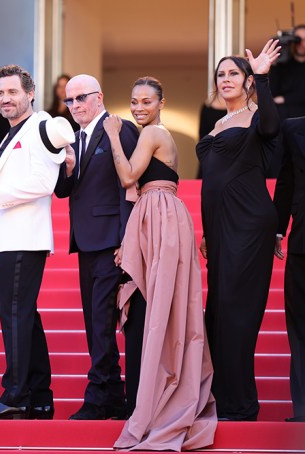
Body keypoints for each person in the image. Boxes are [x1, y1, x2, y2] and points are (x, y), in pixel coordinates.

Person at [103, 77, 217, 450]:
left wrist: (114, 135)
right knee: (159, 310)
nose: (138, 108)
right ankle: (155, 393)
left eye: (146, 101)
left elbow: (127, 177)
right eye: (133, 101)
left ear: (161, 103)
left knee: (161, 311)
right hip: (157, 216)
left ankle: (157, 399)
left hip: (162, 218)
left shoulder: (153, 133)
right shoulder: (153, 133)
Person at [0, 64, 74, 420]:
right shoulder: (14, 132)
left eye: (12, 92)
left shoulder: (42, 125)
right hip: (9, 238)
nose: (5, 99)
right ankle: (40, 396)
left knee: (14, 316)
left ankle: (15, 395)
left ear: (30, 93)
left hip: (23, 238)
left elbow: (44, 183)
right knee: (25, 317)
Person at [197, 40, 281, 421]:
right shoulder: (217, 123)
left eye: (234, 73)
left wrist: (262, 79)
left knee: (237, 312)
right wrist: (206, 228)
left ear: (247, 81)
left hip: (248, 225)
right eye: (221, 74)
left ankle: (241, 405)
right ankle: (219, 398)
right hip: (219, 228)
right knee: (216, 310)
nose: (226, 79)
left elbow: (270, 125)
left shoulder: (255, 116)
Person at [54, 74, 138, 420]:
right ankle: (112, 394)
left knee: (102, 320)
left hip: (111, 241)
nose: (75, 106)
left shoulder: (120, 129)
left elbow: (130, 186)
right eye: (69, 101)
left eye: (81, 98)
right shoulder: (72, 139)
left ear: (99, 97)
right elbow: (63, 191)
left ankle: (99, 396)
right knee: (93, 320)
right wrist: (68, 167)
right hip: (85, 242)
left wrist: (127, 240)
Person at [273, 115, 305, 423]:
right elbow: (286, 180)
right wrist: (278, 228)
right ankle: (304, 410)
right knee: (300, 328)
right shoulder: (294, 128)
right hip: (302, 242)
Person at [270, 25, 305, 120]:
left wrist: (284, 99)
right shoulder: (281, 65)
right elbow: (271, 93)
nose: (301, 43)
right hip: (282, 120)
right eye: (297, 39)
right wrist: (273, 63)